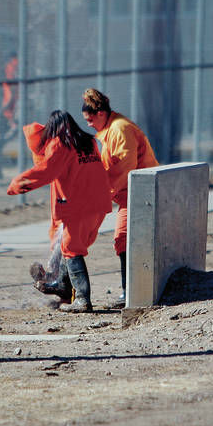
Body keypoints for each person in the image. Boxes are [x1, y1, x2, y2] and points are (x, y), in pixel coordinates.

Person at [6, 110, 112, 312]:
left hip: (78, 205)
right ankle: (62, 286)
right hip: (99, 203)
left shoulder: (60, 144)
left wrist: (17, 184)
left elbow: (45, 171)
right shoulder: (88, 142)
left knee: (71, 249)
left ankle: (82, 299)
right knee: (68, 246)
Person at [80, 88, 158, 305]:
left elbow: (124, 167)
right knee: (124, 241)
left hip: (139, 193)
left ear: (101, 114)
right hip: (130, 194)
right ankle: (130, 292)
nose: (88, 124)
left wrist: (102, 192)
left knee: (123, 239)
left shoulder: (120, 129)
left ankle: (130, 293)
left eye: (89, 119)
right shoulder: (113, 129)